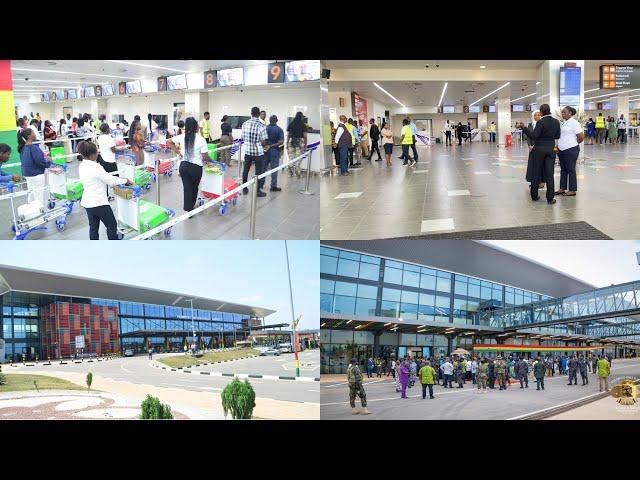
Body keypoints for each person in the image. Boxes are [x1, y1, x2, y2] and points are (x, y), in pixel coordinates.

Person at [77, 140, 131, 240]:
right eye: (97, 152)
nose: (98, 153)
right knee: (112, 226)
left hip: (87, 203)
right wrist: (125, 180)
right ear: (92, 154)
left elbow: (99, 180)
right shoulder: (96, 167)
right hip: (99, 202)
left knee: (93, 228)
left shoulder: (82, 166)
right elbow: (110, 180)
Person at [517, 103, 561, 204]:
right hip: (551, 149)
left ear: (541, 112)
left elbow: (534, 136)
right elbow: (557, 135)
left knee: (536, 172)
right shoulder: (556, 122)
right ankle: (550, 198)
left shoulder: (540, 122)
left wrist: (524, 128)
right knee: (550, 174)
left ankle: (534, 196)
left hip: (539, 149)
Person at [167, 117, 210, 212]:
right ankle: (191, 208)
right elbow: (205, 156)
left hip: (184, 166)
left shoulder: (182, 136)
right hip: (196, 167)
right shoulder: (201, 139)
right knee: (194, 187)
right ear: (195, 127)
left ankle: (188, 208)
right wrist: (211, 161)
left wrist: (179, 153)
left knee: (187, 188)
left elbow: (168, 142)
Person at [555, 106, 584, 197]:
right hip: (562, 150)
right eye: (562, 112)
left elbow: (581, 137)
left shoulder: (574, 123)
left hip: (571, 150)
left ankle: (572, 190)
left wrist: (573, 144)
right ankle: (562, 188)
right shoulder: (564, 123)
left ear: (570, 113)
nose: (562, 113)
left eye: (564, 112)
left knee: (571, 169)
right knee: (563, 169)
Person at [19, 128, 52, 209]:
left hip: (28, 175)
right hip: (36, 175)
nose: (35, 134)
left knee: (31, 195)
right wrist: (49, 162)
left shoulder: (23, 148)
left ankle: (31, 212)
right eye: (33, 132)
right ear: (29, 136)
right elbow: (40, 162)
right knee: (39, 196)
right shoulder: (33, 148)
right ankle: (39, 214)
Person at [240, 107, 270, 197]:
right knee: (258, 172)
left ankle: (244, 188)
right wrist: (264, 145)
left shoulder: (245, 124)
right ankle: (257, 191)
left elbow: (243, 137)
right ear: (258, 114)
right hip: (258, 153)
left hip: (248, 151)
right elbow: (264, 141)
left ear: (251, 113)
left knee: (245, 170)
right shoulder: (261, 126)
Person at [523, 110, 545, 191]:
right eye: (535, 115)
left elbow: (542, 136)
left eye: (539, 115)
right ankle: (533, 181)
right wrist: (529, 145)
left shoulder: (543, 124)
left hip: (540, 147)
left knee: (541, 165)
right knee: (532, 165)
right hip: (531, 148)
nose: (537, 116)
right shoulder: (530, 125)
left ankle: (541, 182)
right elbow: (528, 136)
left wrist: (535, 145)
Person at [265, 115, 284, 192]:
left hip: (265, 151)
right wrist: (272, 145)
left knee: (263, 168)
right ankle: (273, 186)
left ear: (269, 120)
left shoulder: (265, 128)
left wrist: (267, 145)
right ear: (277, 120)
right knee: (274, 169)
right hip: (275, 151)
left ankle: (260, 184)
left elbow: (261, 140)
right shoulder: (279, 130)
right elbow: (281, 142)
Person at [286, 112, 307, 177]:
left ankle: (290, 172)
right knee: (299, 158)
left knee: (291, 158)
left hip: (291, 141)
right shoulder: (303, 125)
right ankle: (297, 172)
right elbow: (305, 136)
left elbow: (288, 135)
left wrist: (287, 143)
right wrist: (305, 144)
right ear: (301, 117)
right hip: (300, 142)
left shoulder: (291, 124)